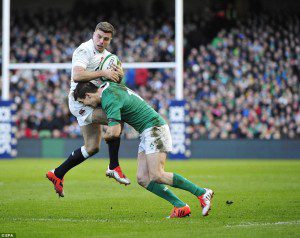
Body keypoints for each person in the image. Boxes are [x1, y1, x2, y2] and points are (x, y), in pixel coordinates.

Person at [73, 81, 214, 218]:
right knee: (143, 178)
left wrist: (105, 136)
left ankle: (201, 192)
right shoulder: (109, 86)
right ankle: (180, 206)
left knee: (157, 175)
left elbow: (114, 132)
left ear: (88, 95)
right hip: (147, 131)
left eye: (83, 101)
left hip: (154, 129)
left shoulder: (109, 98)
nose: (85, 105)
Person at [46, 22, 130, 198]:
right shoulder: (84, 50)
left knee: (92, 147)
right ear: (94, 34)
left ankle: (58, 173)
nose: (101, 41)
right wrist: (104, 73)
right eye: (99, 36)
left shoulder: (108, 56)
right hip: (81, 101)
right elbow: (77, 75)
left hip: (93, 101)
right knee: (117, 118)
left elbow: (115, 79)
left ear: (110, 40)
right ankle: (114, 166)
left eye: (106, 39)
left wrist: (118, 75)